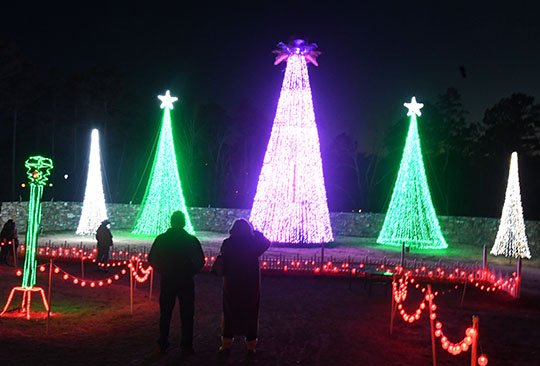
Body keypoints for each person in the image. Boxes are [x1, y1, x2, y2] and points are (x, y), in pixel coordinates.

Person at [148, 211, 205, 355]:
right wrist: (191, 271)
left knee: (165, 313)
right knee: (187, 314)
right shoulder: (191, 240)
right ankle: (186, 345)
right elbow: (200, 261)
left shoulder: (162, 239)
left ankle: (163, 341)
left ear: (171, 222)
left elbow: (152, 258)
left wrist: (163, 270)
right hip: (186, 281)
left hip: (168, 280)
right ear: (183, 223)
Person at [218, 219, 270, 355]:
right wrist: (256, 233)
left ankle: (226, 343)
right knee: (251, 314)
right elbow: (266, 243)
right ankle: (251, 345)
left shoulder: (228, 243)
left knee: (229, 313)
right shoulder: (252, 244)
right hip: (250, 285)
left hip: (232, 283)